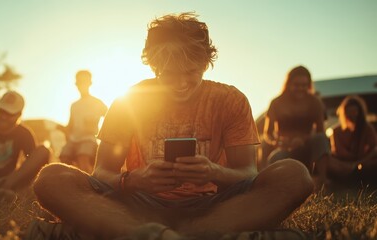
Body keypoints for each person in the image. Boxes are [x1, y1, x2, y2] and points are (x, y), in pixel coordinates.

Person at [32, 13, 313, 239]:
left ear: (206, 63)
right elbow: (102, 172)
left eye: (191, 72)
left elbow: (247, 173)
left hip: (212, 206)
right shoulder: (130, 100)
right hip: (135, 204)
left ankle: (147, 234)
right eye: (170, 74)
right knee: (51, 178)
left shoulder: (231, 99)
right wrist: (133, 180)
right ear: (154, 66)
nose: (181, 84)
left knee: (295, 175)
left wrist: (214, 171)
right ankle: (160, 233)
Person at [263, 66, 330, 182]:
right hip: (284, 148)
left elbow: (320, 132)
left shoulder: (315, 102)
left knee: (321, 139)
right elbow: (267, 134)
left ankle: (322, 179)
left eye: (304, 85)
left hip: (307, 147)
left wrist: (303, 139)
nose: (300, 88)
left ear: (309, 85)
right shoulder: (276, 103)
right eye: (296, 85)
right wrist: (278, 142)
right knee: (275, 158)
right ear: (288, 84)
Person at [58, 70, 108, 173]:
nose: (81, 84)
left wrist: (101, 135)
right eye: (79, 82)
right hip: (73, 140)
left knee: (83, 158)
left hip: (89, 139)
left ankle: (89, 185)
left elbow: (110, 119)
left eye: (84, 81)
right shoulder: (74, 105)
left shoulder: (97, 102)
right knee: (63, 159)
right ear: (76, 84)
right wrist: (59, 128)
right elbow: (70, 125)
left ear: (90, 83)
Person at [326, 95, 377, 187]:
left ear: (360, 112)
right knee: (327, 162)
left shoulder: (368, 128)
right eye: (349, 112)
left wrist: (357, 163)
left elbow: (373, 149)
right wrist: (348, 165)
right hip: (342, 164)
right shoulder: (336, 131)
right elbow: (337, 152)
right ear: (344, 113)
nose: (353, 115)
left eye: (355, 111)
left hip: (363, 163)